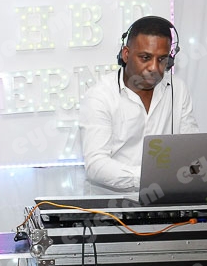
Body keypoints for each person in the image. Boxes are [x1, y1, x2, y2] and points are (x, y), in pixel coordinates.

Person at [80, 15, 199, 193]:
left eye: (162, 59)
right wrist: (151, 177)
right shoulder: (99, 96)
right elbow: (96, 165)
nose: (154, 68)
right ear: (126, 54)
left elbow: (192, 148)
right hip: (114, 202)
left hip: (167, 198)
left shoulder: (178, 89)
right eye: (145, 57)